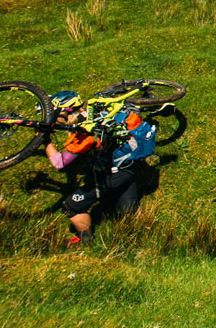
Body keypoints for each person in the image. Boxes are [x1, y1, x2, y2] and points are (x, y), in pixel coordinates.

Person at [43, 90, 143, 248]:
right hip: (129, 166)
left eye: (56, 116)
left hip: (111, 175)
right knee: (126, 213)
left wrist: (45, 139)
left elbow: (59, 164)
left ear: (64, 113)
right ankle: (132, 240)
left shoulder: (84, 136)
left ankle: (84, 239)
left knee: (71, 206)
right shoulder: (97, 113)